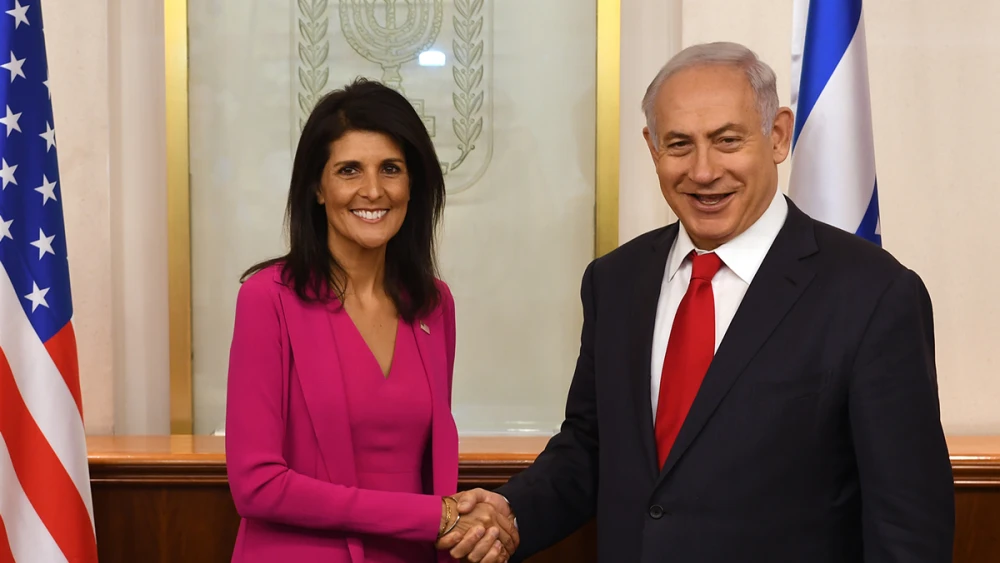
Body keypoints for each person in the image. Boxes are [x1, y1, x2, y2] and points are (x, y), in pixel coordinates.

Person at [440, 42, 955, 563]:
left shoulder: (873, 293)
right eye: (680, 145)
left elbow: (907, 521)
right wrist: (510, 511)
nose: (704, 171)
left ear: (777, 136)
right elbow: (592, 448)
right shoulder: (616, 281)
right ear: (652, 148)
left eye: (727, 140)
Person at [224, 78, 516, 563]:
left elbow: (429, 471)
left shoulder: (433, 306)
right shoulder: (267, 299)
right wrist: (433, 516)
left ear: (412, 184)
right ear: (318, 187)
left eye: (391, 169)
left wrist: (457, 520)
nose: (373, 190)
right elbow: (257, 485)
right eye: (349, 170)